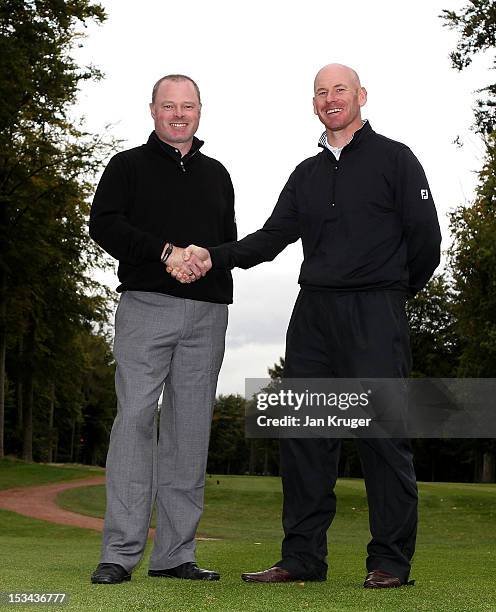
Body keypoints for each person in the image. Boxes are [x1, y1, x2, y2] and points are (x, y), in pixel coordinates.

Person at [169, 64, 441, 588]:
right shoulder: (306, 174)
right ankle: (302, 560)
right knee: (305, 441)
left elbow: (425, 239)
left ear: (360, 96)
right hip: (313, 315)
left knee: (383, 439)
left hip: (374, 312)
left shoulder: (396, 159)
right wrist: (212, 255)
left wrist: (393, 294)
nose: (330, 98)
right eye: (321, 92)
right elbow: (270, 238)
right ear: (313, 104)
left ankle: (389, 562)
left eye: (340, 89)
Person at [88, 74, 236, 584]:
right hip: (145, 305)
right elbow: (103, 224)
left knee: (189, 431)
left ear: (200, 111)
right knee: (133, 420)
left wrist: (202, 263)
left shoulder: (218, 174)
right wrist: (165, 253)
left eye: (188, 106)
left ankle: (175, 555)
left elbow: (226, 242)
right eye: (169, 105)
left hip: (207, 314)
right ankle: (119, 553)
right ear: (152, 110)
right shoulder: (126, 166)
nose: (179, 114)